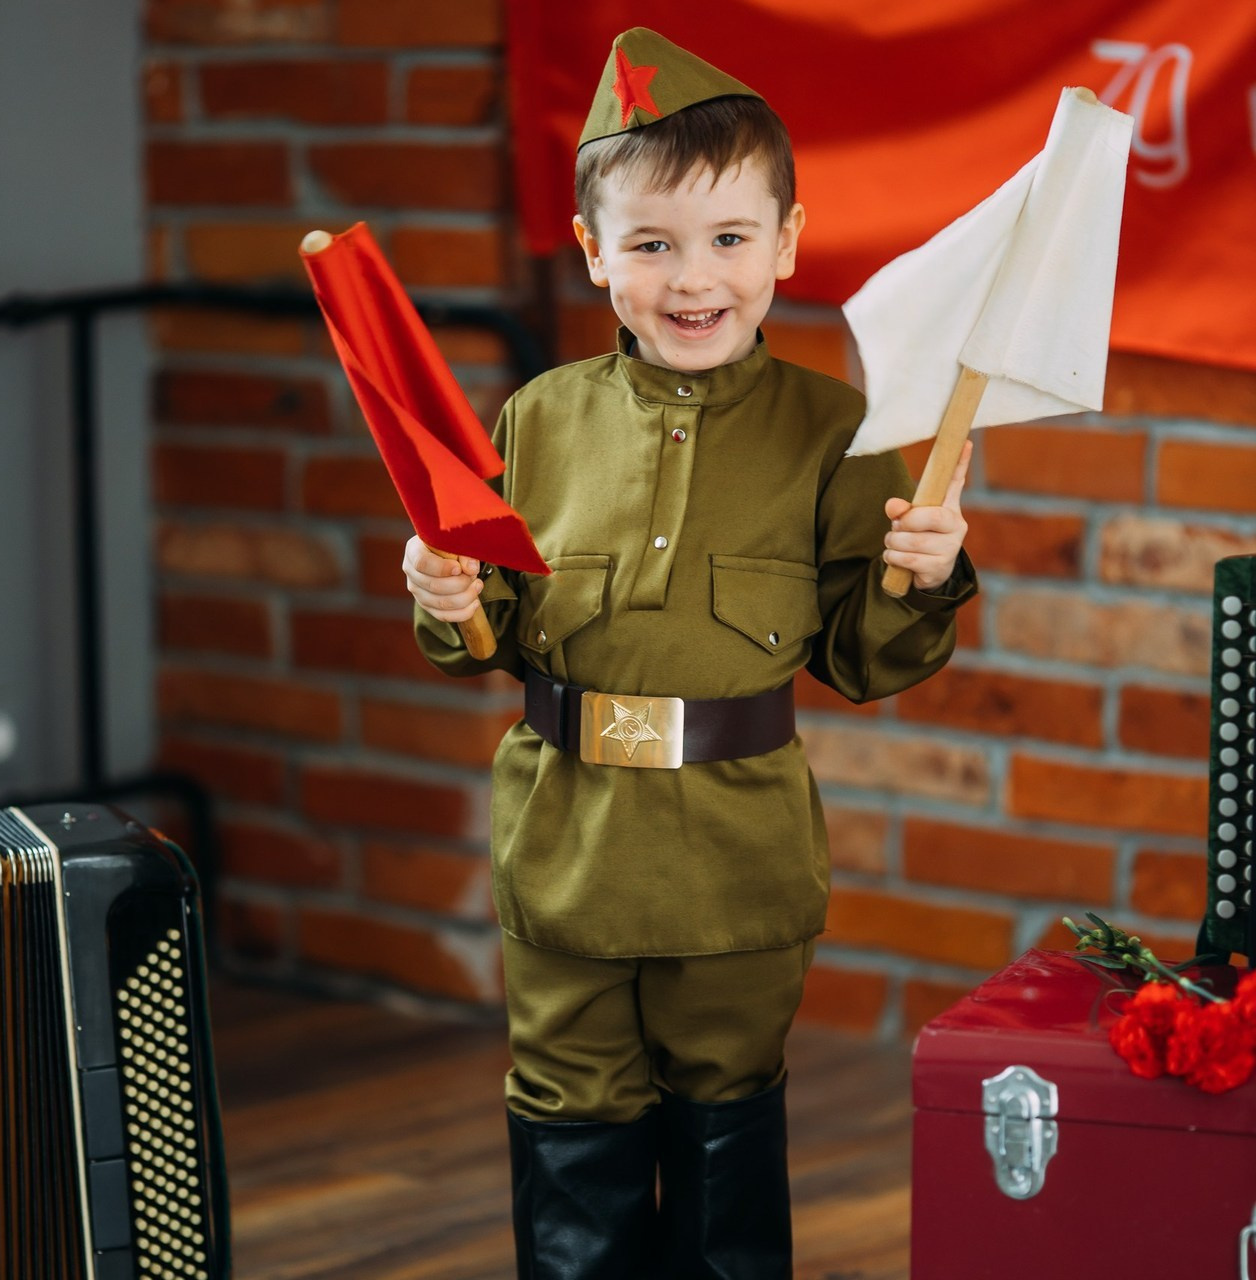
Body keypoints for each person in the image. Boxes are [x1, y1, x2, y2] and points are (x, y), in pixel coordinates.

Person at [403, 27, 975, 1280]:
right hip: (565, 839)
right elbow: (482, 635)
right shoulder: (536, 419)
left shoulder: (839, 433)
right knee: (567, 1100)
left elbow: (864, 656)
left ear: (785, 239)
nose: (691, 276)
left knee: (726, 1099)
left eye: (727, 238)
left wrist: (918, 579)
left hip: (736, 853)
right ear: (595, 246)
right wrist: (450, 595)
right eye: (651, 242)